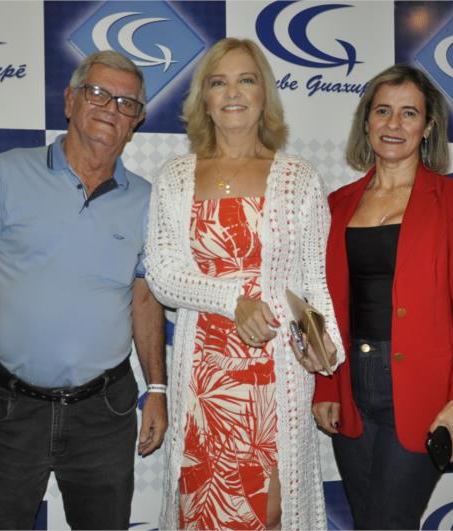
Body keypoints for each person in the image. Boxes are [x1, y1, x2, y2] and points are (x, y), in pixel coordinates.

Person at [0, 50, 168, 530]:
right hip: (7, 410)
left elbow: (144, 298)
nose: (111, 108)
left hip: (105, 414)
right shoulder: (8, 172)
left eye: (126, 103)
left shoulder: (149, 201)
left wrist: (157, 388)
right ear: (69, 101)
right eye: (98, 93)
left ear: (137, 122)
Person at [144, 37, 343, 530]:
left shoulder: (298, 178)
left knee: (271, 512)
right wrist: (233, 299)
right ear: (205, 99)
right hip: (204, 380)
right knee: (203, 512)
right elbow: (162, 276)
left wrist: (327, 346)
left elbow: (315, 282)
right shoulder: (175, 177)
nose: (232, 92)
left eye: (246, 80)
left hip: (277, 376)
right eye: (219, 82)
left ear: (263, 94)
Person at [312, 64, 453, 529]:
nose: (393, 124)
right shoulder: (337, 204)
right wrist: (327, 385)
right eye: (383, 111)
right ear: (366, 121)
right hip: (351, 387)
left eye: (409, 113)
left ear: (428, 126)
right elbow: (326, 305)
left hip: (424, 393)